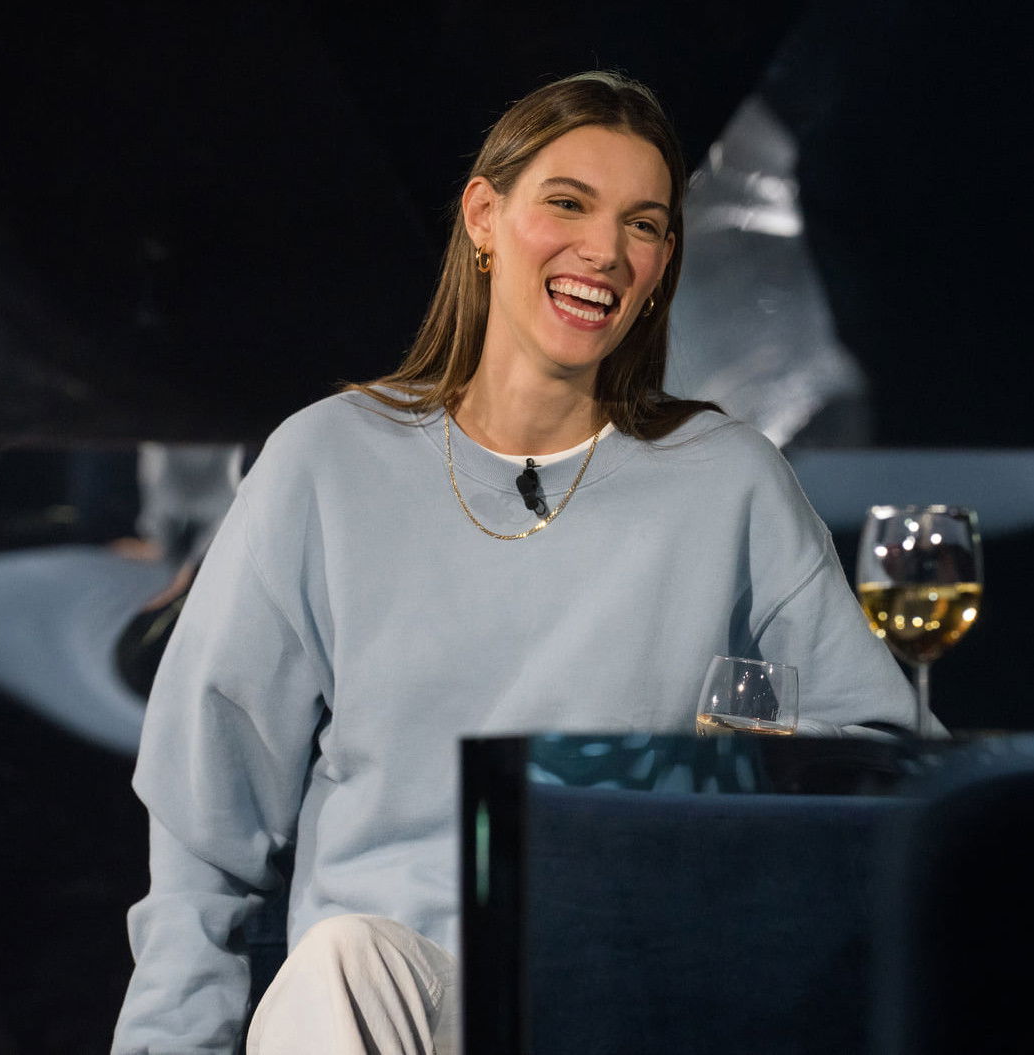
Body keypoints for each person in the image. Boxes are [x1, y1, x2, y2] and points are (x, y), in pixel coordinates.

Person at [110, 71, 920, 1055]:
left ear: (662, 263)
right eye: (568, 203)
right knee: (341, 959)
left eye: (642, 224)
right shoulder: (327, 459)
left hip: (634, 996)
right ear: (484, 217)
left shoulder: (727, 479)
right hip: (395, 997)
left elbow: (878, 755)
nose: (604, 251)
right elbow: (206, 818)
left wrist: (722, 785)